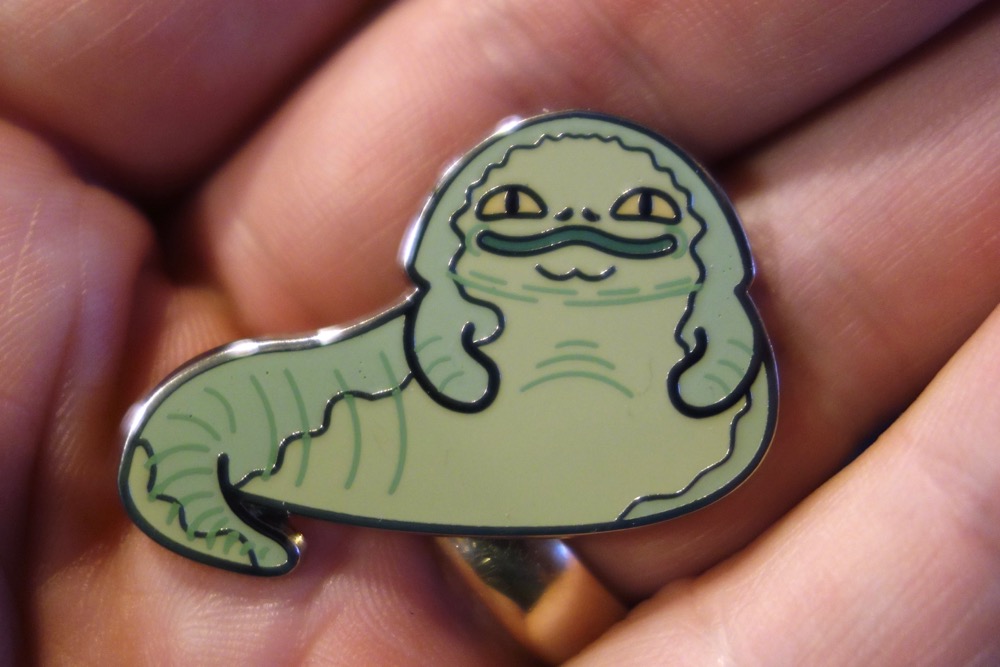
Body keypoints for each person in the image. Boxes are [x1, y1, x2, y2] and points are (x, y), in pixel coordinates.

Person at [0, 1, 996, 663]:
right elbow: (438, 333)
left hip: (629, 441)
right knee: (250, 416)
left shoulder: (711, 296)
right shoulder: (439, 309)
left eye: (637, 214)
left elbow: (722, 335)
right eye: (521, 211)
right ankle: (199, 466)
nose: (579, 233)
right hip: (460, 430)